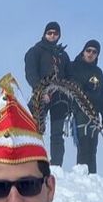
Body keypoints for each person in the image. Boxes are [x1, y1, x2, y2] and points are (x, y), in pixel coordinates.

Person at [24, 21, 72, 166]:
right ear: (45, 34)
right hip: (41, 94)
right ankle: (33, 160)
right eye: (49, 33)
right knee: (33, 128)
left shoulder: (63, 55)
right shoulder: (35, 51)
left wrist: (69, 98)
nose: (52, 36)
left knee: (57, 133)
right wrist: (40, 91)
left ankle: (56, 165)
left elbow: (69, 77)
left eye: (55, 33)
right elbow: (31, 73)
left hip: (59, 97)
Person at [67, 39, 103, 174]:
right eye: (88, 50)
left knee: (93, 148)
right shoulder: (74, 66)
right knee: (84, 145)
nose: (91, 54)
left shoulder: (98, 72)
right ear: (83, 51)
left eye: (94, 52)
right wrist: (87, 91)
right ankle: (81, 176)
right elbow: (73, 86)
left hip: (95, 113)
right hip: (80, 110)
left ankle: (92, 177)